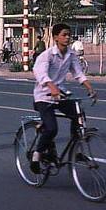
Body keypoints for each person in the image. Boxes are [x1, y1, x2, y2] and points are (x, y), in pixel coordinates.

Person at [31, 23, 97, 174]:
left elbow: (78, 73)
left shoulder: (71, 55)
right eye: (64, 35)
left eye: (69, 35)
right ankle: (37, 155)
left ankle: (78, 147)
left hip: (60, 95)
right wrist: (51, 86)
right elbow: (40, 72)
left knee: (78, 113)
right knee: (52, 129)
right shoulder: (47, 55)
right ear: (55, 38)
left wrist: (89, 87)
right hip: (43, 96)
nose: (67, 37)